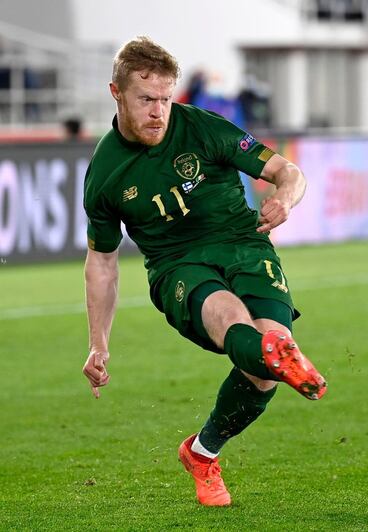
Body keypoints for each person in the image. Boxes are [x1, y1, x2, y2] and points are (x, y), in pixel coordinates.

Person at [81, 36, 327, 507]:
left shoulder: (204, 128)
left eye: (166, 99)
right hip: (180, 267)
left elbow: (287, 171)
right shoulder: (105, 174)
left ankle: (201, 452)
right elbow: (103, 263)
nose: (159, 111)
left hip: (246, 248)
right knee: (233, 320)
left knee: (265, 372)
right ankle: (276, 353)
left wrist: (283, 200)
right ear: (116, 92)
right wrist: (98, 344)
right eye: (147, 99)